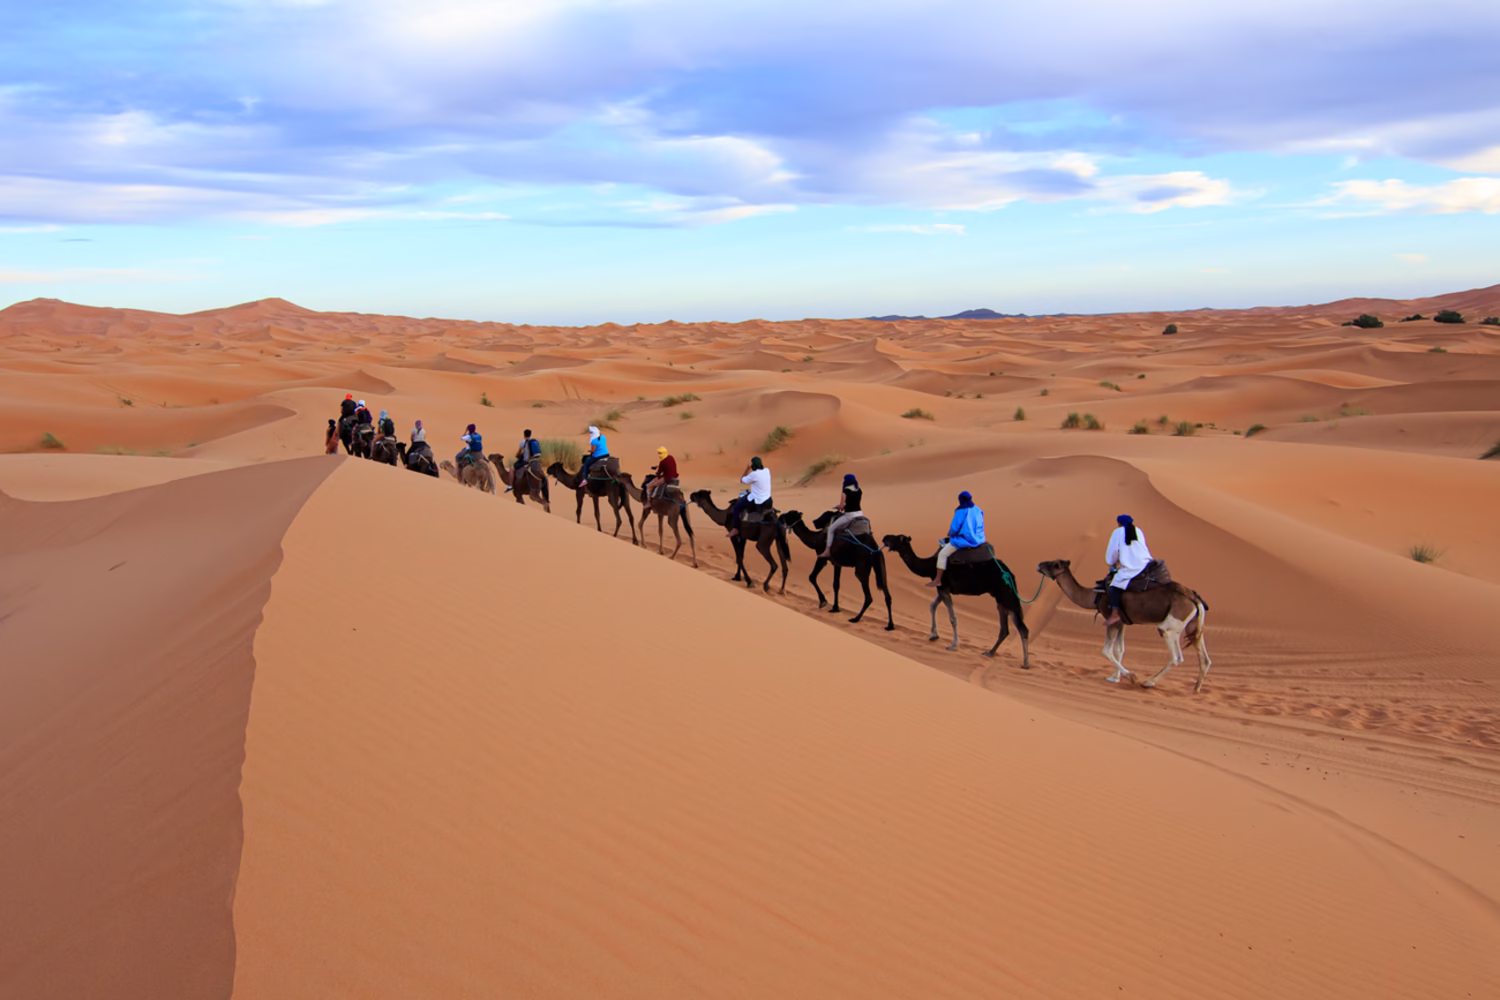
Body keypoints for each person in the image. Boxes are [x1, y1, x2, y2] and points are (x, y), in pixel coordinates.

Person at [928, 490, 985, 588]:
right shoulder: (978, 509)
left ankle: (937, 580)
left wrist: (950, 533)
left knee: (942, 554)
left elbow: (955, 527)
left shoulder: (960, 511)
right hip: (979, 539)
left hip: (965, 540)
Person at [1102, 514, 1152, 626]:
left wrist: (1111, 562)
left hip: (1132, 567)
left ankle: (1115, 614)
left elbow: (1114, 551)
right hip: (1146, 564)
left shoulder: (1117, 532)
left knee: (1114, 585)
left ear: (1119, 523)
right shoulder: (1138, 531)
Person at [819, 473, 864, 558]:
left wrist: (838, 507)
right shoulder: (859, 490)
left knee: (831, 529)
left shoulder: (845, 491)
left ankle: (827, 550)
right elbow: (855, 503)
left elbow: (842, 506)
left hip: (849, 516)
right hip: (860, 514)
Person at [728, 456, 772, 538]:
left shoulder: (753, 474)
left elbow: (742, 480)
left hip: (757, 501)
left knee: (737, 507)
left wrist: (747, 469)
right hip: (768, 500)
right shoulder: (767, 470)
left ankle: (735, 528)